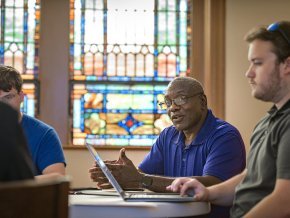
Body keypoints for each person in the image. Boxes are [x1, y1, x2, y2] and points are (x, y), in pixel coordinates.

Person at [167, 21, 290, 218]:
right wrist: (207, 192)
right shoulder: (267, 122)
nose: (248, 73)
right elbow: (250, 178)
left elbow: (285, 201)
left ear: (287, 65)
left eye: (257, 63)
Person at [89, 76, 246, 217]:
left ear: (202, 102)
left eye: (181, 99)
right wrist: (122, 177)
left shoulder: (225, 136)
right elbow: (143, 177)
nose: (172, 108)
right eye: (168, 103)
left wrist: (141, 179)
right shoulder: (167, 136)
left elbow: (213, 186)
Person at [0, 65, 66, 178]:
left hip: (25, 196)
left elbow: (57, 177)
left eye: (8, 98)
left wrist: (11, 185)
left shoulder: (44, 134)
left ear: (21, 97)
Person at [0, 101, 35, 181]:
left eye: (8, 98)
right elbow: (23, 176)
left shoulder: (5, 114)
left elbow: (57, 174)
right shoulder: (6, 113)